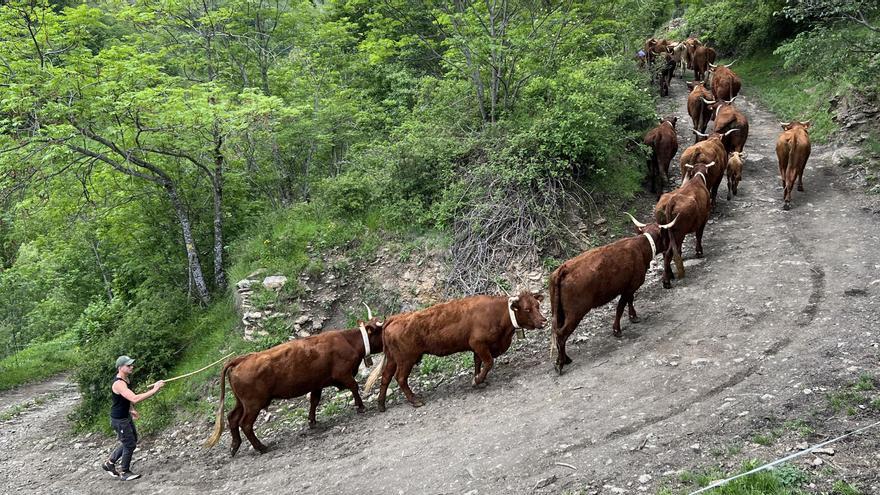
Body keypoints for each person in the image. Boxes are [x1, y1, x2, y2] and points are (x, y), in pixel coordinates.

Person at [101, 355, 164, 481]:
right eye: (128, 365)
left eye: (131, 365)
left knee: (131, 440)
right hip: (119, 420)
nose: (132, 367)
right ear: (120, 368)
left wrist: (131, 409)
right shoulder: (119, 383)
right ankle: (125, 472)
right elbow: (134, 398)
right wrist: (155, 389)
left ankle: (110, 463)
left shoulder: (126, 380)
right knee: (129, 444)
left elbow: (125, 399)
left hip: (125, 416)